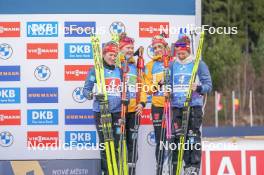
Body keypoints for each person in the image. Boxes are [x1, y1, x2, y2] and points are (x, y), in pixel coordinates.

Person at [170, 36, 212, 174]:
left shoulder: (198, 64)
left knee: (192, 136)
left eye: (183, 53)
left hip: (193, 106)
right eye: (178, 53)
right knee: (180, 138)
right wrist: (166, 91)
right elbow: (169, 84)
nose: (180, 56)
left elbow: (208, 86)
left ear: (188, 50)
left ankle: (193, 167)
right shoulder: (172, 64)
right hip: (177, 106)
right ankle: (184, 166)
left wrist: (198, 88)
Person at [83, 41, 121, 175]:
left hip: (117, 113)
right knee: (105, 145)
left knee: (115, 145)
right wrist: (93, 94)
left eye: (115, 55)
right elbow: (85, 91)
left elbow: (125, 90)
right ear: (104, 54)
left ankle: (114, 171)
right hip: (101, 112)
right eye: (111, 54)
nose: (113, 58)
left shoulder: (119, 71)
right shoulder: (95, 70)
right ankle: (106, 172)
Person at [118, 33, 147, 175]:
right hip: (118, 111)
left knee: (132, 144)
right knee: (118, 143)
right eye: (127, 48)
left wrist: (142, 103)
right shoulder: (116, 65)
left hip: (134, 111)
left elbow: (142, 87)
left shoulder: (137, 68)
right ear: (120, 48)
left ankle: (131, 171)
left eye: (132, 48)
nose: (130, 50)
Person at [144, 34, 170, 172]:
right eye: (154, 48)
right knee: (161, 141)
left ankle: (172, 168)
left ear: (166, 47)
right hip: (158, 107)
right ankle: (159, 169)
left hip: (173, 106)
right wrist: (159, 84)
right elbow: (147, 89)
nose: (157, 50)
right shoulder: (150, 66)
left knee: (174, 140)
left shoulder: (175, 62)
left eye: (160, 46)